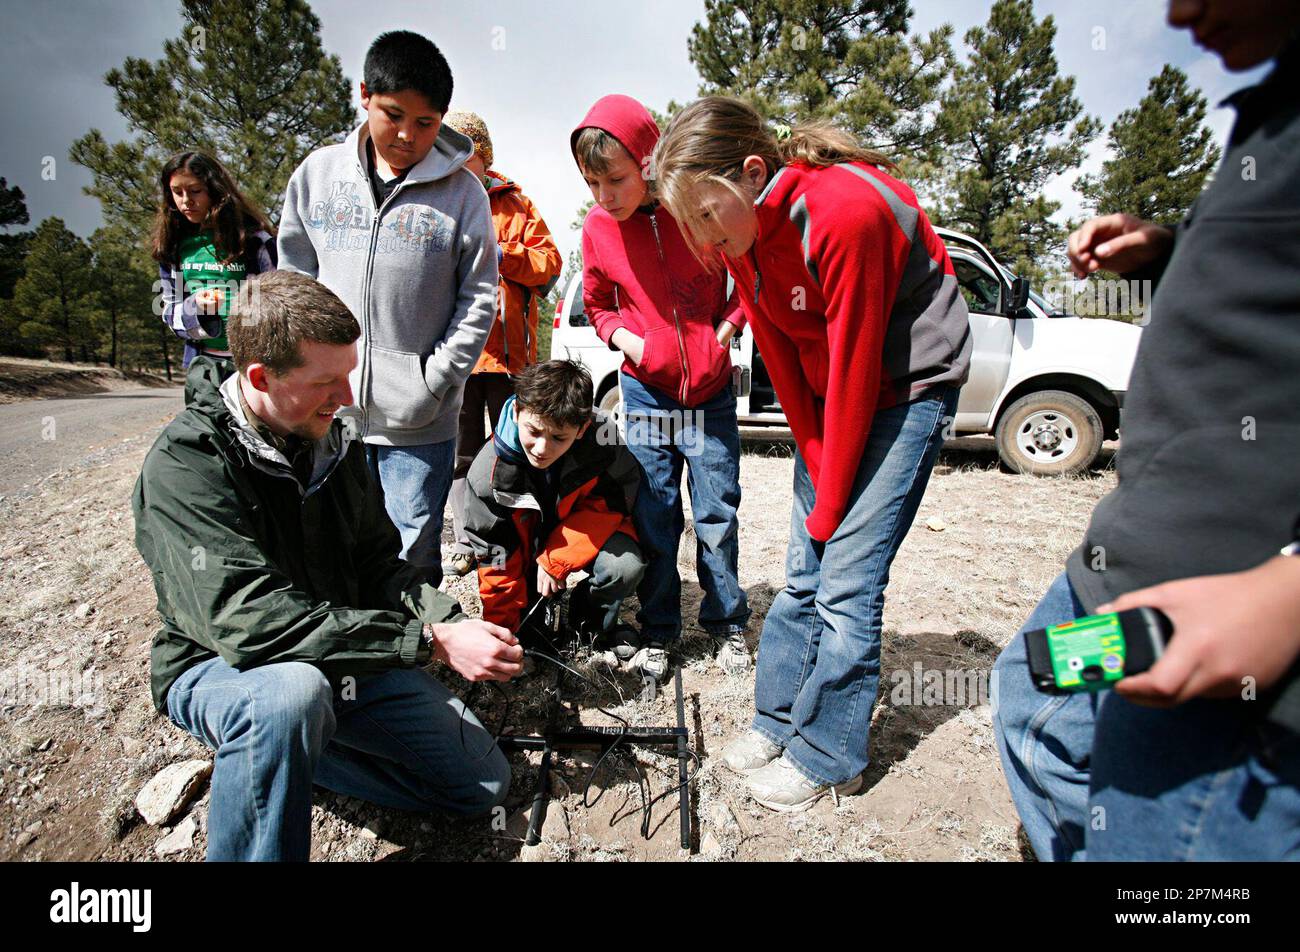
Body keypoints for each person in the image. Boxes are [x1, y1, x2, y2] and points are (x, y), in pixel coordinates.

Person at [990, 0, 1300, 861]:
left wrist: (1288, 598)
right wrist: (1174, 253)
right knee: (1030, 694)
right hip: (1145, 557)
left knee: (1156, 846)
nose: (1178, 11)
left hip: (1239, 630)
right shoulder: (1276, 112)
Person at [132, 271, 521, 862]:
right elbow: (250, 622)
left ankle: (292, 759)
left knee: (481, 786)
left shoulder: (333, 443)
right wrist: (428, 644)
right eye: (327, 382)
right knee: (290, 697)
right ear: (261, 377)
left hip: (339, 654)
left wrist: (448, 619)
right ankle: (274, 745)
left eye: (349, 374)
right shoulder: (187, 466)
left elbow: (379, 565)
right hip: (227, 666)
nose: (348, 397)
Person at [653, 97, 972, 811]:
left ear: (753, 173)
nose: (703, 239)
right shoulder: (741, 244)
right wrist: (818, 468)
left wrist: (832, 501)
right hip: (836, 398)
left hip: (905, 388)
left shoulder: (843, 212)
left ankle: (830, 753)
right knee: (804, 569)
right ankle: (778, 720)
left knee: (847, 582)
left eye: (708, 214)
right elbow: (787, 367)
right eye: (688, 225)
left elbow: (860, 366)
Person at [277, 30, 497, 581]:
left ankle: (414, 653)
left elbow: (479, 298)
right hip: (327, 413)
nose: (406, 135)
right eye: (392, 115)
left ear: (442, 119)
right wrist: (305, 373)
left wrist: (435, 378)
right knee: (329, 539)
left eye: (425, 124)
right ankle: (350, 651)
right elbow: (293, 279)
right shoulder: (318, 177)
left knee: (412, 547)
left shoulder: (463, 194)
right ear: (364, 95)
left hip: (419, 421)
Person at [572, 93, 751, 684]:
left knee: (717, 513)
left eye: (615, 180)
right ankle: (658, 631)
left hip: (711, 395)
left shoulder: (693, 206)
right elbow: (598, 304)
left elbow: (747, 273)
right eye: (592, 182)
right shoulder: (598, 229)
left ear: (648, 160)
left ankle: (727, 624)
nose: (604, 196)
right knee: (654, 513)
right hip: (646, 394)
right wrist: (631, 343)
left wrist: (726, 331)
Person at [441, 109, 564, 580]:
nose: (452, 160)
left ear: (483, 156)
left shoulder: (517, 205)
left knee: (519, 446)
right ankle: (467, 542)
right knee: (461, 455)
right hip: (456, 356)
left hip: (511, 359)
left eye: (463, 151)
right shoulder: (436, 200)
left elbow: (548, 266)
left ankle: (523, 535)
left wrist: (499, 252)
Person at [464, 360, 645, 654]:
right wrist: (503, 637)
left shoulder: (604, 441)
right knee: (526, 631)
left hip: (577, 538)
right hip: (523, 551)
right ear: (516, 412)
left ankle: (586, 627)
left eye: (558, 438)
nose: (542, 449)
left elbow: (611, 506)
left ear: (582, 428)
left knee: (624, 566)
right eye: (533, 432)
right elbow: (496, 560)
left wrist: (557, 559)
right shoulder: (488, 477)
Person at [152, 150, 276, 375]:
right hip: (203, 365)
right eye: (177, 192)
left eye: (195, 191)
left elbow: (279, 301)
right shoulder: (172, 246)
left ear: (217, 191)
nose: (186, 201)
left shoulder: (255, 241)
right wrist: (195, 307)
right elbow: (169, 309)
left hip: (254, 365)